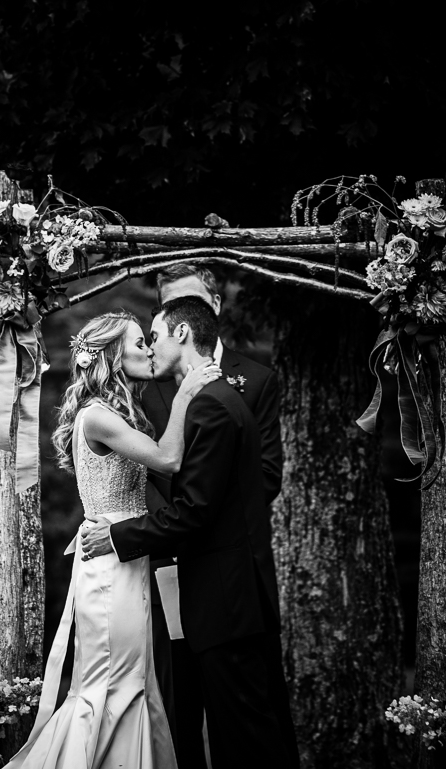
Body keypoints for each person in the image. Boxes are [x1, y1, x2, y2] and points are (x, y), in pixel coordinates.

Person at [80, 296, 299, 768]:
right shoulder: (215, 400)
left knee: (245, 737)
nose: (150, 348)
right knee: (235, 732)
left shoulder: (212, 408)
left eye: (153, 337)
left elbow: (194, 512)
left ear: (181, 335)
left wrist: (119, 537)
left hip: (225, 601)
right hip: (228, 596)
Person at [5, 311, 220, 769]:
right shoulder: (98, 418)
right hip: (109, 571)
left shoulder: (119, 412)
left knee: (133, 682)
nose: (148, 350)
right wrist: (187, 390)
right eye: (139, 342)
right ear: (111, 357)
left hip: (128, 558)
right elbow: (167, 459)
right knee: (113, 684)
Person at [144, 262, 285, 769]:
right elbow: (149, 473)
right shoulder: (149, 384)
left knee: (243, 717)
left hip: (222, 565)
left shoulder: (249, 382)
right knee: (180, 707)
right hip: (167, 562)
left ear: (205, 313)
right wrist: (166, 535)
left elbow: (262, 477)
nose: (151, 341)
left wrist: (190, 518)